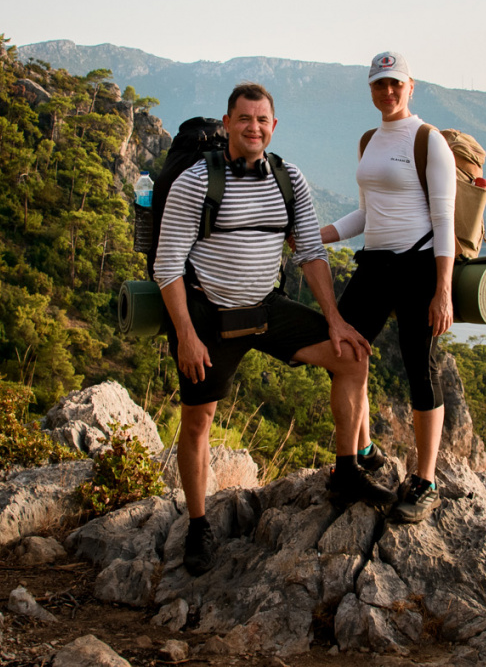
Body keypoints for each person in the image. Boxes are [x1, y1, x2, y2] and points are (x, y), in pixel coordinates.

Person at [154, 82, 395, 576]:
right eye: (244, 119)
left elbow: (309, 251)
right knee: (198, 421)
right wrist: (185, 334)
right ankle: (198, 525)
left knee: (352, 357)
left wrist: (335, 320)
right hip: (210, 318)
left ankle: (346, 469)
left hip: (266, 309)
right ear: (227, 125)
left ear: (274, 125)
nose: (254, 128)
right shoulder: (196, 182)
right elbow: (167, 266)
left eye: (262, 120)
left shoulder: (289, 179)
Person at [319, 52, 455, 525]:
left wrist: (443, 290)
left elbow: (443, 220)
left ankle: (426, 481)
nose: (388, 92)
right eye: (380, 85)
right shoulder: (368, 141)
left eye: (395, 83)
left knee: (421, 367)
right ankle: (364, 451)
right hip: (374, 264)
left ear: (410, 86)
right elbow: (366, 213)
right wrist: (324, 234)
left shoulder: (428, 140)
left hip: (418, 265)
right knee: (345, 353)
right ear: (371, 90)